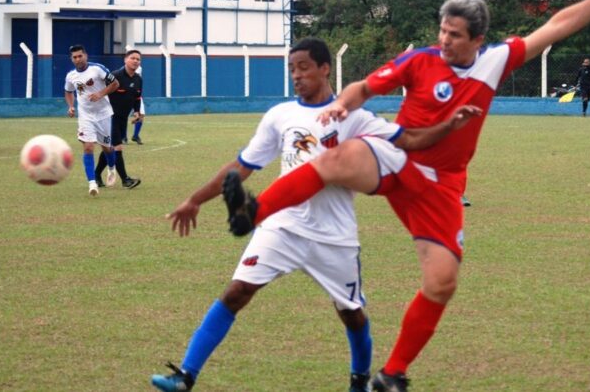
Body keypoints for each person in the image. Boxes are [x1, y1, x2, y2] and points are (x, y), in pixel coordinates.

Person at [221, 0, 590, 391]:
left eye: (454, 35)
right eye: (442, 30)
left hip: (441, 185)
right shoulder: (419, 60)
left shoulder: (496, 60)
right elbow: (363, 88)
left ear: (477, 39)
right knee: (335, 160)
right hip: (396, 157)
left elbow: (557, 24)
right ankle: (253, 212)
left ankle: (393, 373)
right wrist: (344, 104)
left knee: (441, 282)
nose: (444, 40)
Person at [151, 37, 480, 392]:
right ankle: (186, 375)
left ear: (325, 68)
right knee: (236, 292)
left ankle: (359, 381)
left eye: (304, 67)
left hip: (334, 235)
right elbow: (243, 167)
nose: (296, 75)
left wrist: (449, 126)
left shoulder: (354, 116)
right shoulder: (280, 116)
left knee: (351, 314)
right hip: (281, 226)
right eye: (292, 69)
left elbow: (409, 140)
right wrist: (195, 200)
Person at [63, 44, 120, 196]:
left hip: (103, 114)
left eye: (80, 56)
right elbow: (68, 92)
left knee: (107, 147)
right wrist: (70, 106)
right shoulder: (71, 76)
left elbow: (115, 84)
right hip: (85, 116)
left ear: (86, 56)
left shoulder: (97, 69)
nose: (78, 59)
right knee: (88, 147)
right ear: (71, 59)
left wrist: (101, 94)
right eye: (74, 57)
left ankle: (112, 168)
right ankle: (92, 183)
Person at [94, 50, 142, 189]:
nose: (135, 61)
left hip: (122, 118)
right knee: (117, 147)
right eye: (132, 58)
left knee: (109, 148)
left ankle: (96, 174)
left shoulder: (138, 79)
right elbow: (101, 91)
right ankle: (125, 180)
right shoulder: (115, 76)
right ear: (125, 60)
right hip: (109, 117)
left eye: (138, 59)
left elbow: (137, 97)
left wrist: (137, 112)